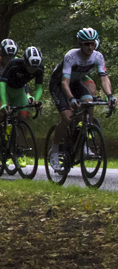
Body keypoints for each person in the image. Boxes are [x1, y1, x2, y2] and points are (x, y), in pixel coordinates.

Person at [47, 28, 116, 170]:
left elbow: (104, 78)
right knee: (67, 117)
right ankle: (54, 150)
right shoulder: (71, 56)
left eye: (92, 44)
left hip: (75, 82)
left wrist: (110, 96)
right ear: (80, 44)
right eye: (86, 44)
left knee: (89, 102)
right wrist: (71, 98)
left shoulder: (98, 57)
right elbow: (64, 83)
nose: (90, 47)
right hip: (59, 84)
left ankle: (84, 140)